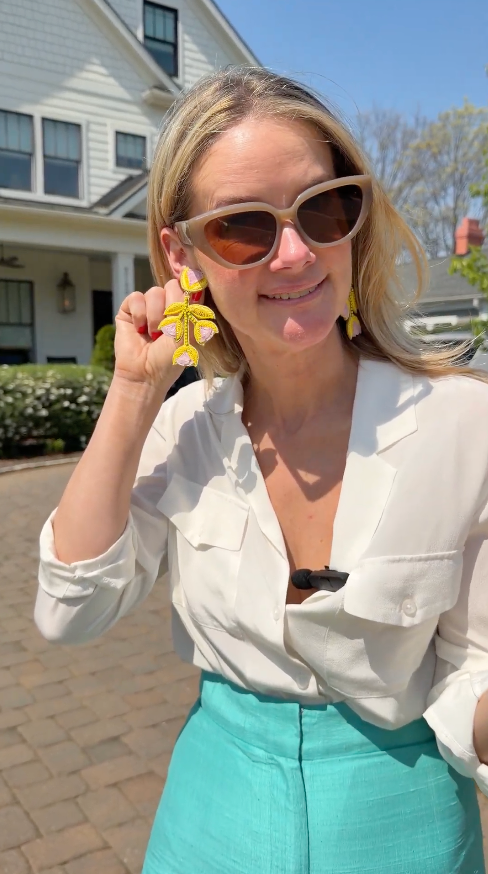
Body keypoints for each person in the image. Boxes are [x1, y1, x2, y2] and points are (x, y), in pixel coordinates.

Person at [35, 68, 488, 874]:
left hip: (404, 819)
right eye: (244, 225)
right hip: (211, 816)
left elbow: (468, 671)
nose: (295, 252)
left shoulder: (464, 424)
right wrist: (136, 390)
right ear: (184, 253)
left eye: (325, 208)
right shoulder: (181, 426)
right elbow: (71, 609)